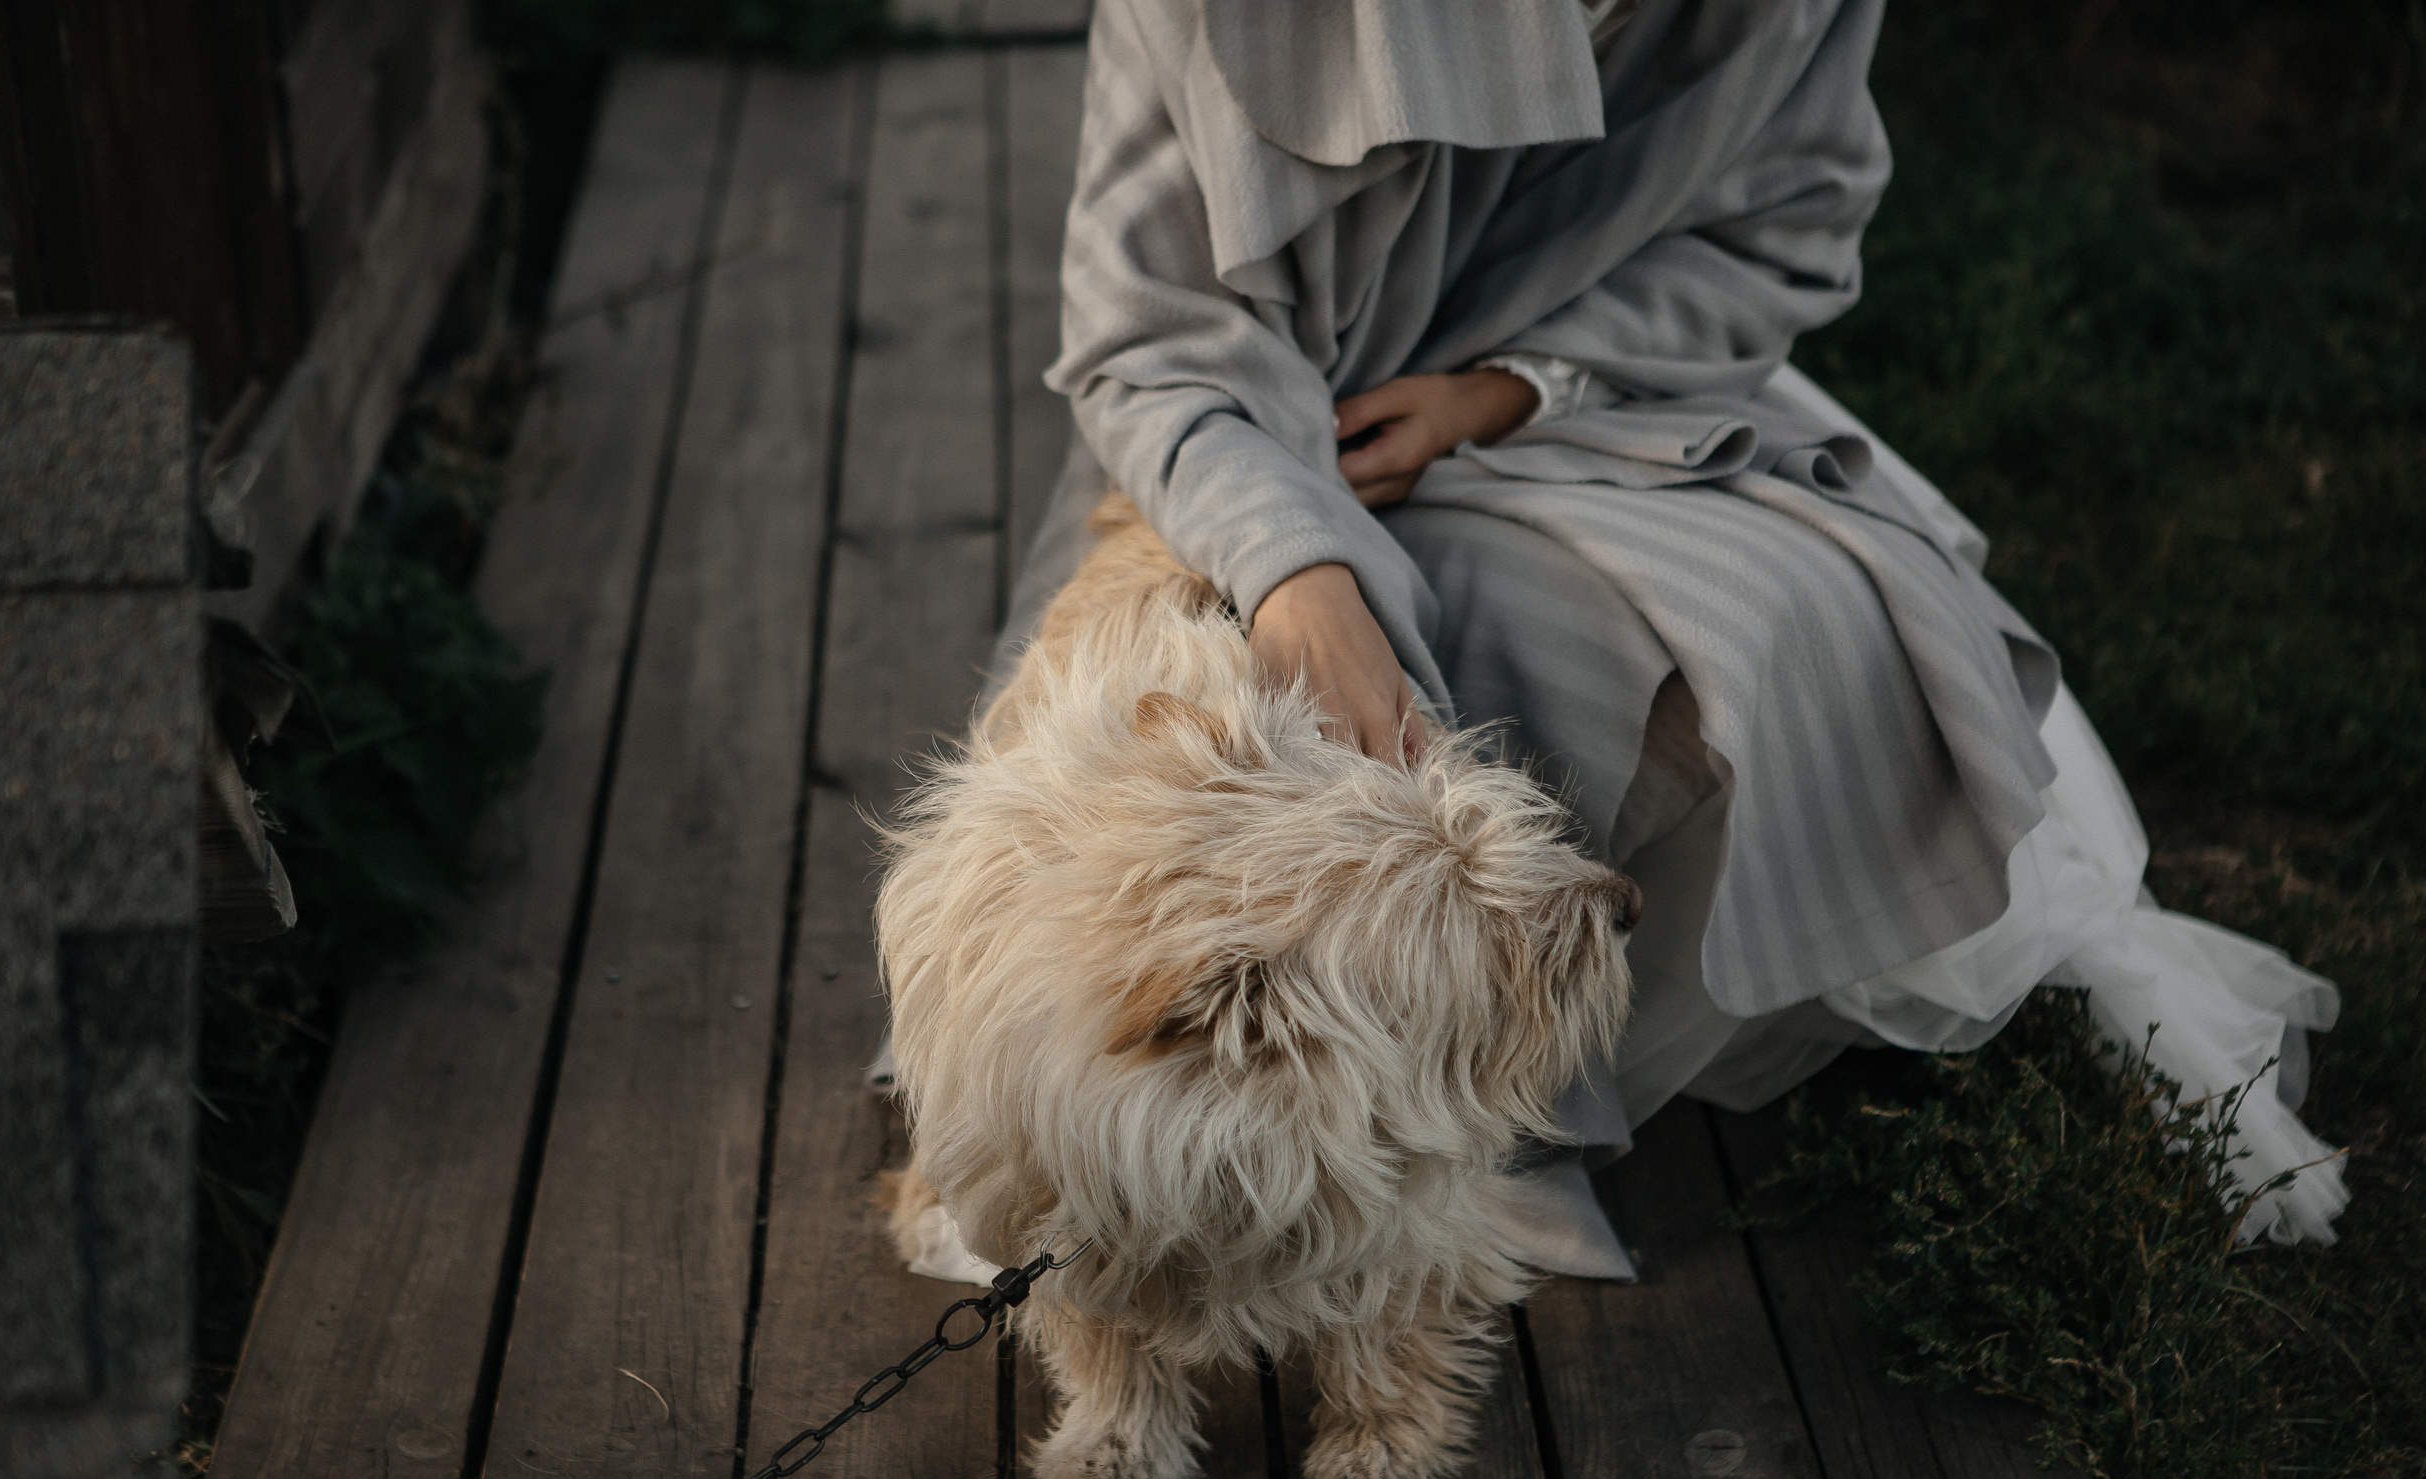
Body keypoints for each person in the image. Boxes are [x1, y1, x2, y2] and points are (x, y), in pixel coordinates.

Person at [978, 0, 2345, 1274]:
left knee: (1809, 622)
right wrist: (1299, 574)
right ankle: (1419, 1082)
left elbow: (1779, 232)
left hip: (1579, 388)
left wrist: (1501, 390)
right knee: (1366, 700)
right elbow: (1148, 344)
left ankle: (1528, 1058)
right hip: (1247, 446)